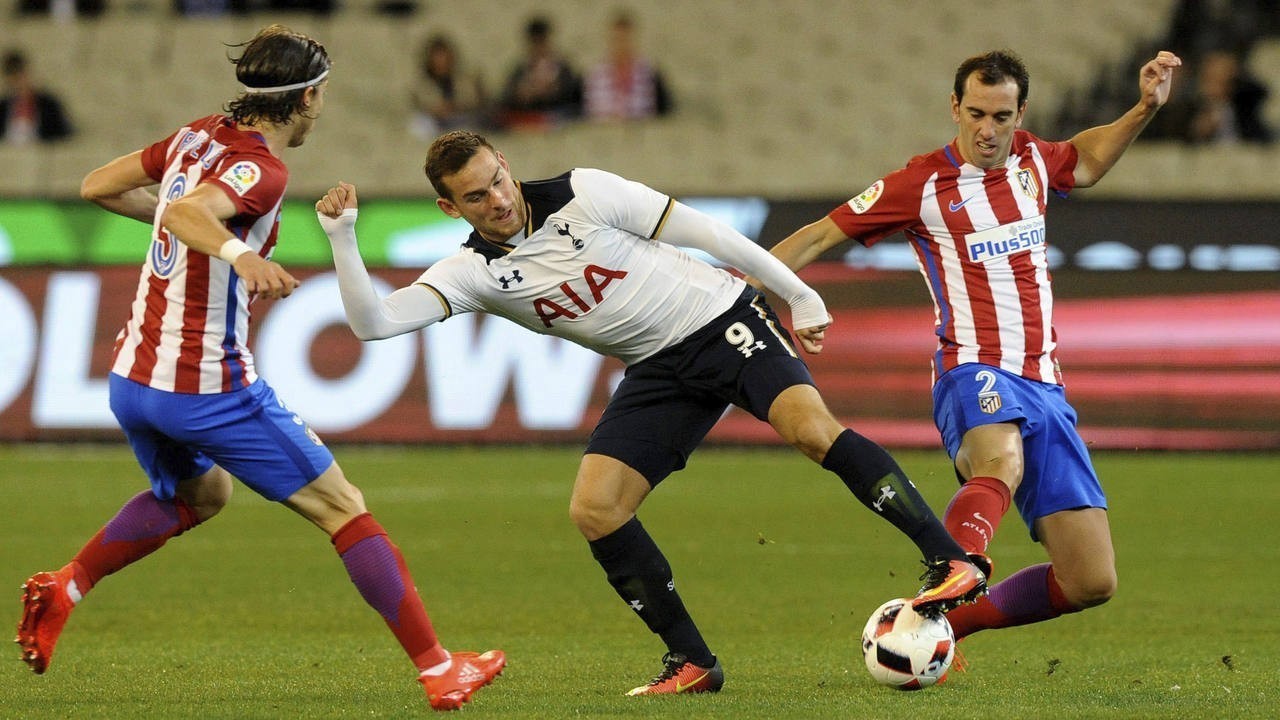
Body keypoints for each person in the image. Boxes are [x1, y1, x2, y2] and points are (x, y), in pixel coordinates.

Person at [314, 130, 988, 696]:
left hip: (720, 317)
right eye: (475, 196)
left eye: (496, 179)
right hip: (658, 369)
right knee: (596, 508)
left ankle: (948, 558)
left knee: (810, 430)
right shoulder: (471, 273)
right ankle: (693, 662)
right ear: (448, 206)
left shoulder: (585, 192)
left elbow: (710, 233)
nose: (496, 199)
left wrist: (798, 293)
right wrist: (342, 238)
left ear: (506, 165)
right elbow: (374, 323)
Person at [14, 25, 504, 712]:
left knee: (201, 497)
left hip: (133, 377)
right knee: (343, 509)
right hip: (204, 384)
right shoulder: (261, 168)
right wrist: (239, 255)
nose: (323, 104)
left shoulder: (194, 136)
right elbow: (185, 211)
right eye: (322, 92)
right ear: (305, 97)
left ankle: (63, 588)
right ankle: (439, 668)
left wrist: (191, 231)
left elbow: (100, 186)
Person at [762, 50, 1182, 660]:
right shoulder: (923, 183)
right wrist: (749, 292)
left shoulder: (1034, 161)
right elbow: (821, 234)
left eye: (1002, 116)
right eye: (976, 113)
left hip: (1045, 385)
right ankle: (954, 564)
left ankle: (943, 626)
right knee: (999, 460)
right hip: (973, 366)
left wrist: (1144, 108)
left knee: (1091, 580)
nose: (987, 130)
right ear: (954, 108)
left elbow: (1087, 160)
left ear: (1021, 115)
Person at [583, 11, 673, 121]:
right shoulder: (594, 77)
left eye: (625, 39)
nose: (621, 45)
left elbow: (664, 112)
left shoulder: (651, 76)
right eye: (616, 39)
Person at [497, 16, 582, 130]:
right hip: (527, 117)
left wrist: (553, 90)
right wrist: (523, 94)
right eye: (535, 43)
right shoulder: (520, 69)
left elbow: (574, 97)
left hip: (556, 115)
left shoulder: (563, 68)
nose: (539, 47)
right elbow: (506, 98)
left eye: (541, 42)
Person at [409, 33, 489, 139]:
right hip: (435, 121)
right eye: (437, 57)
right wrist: (437, 109)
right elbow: (423, 102)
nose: (441, 62)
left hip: (461, 119)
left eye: (444, 57)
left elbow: (472, 100)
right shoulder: (423, 83)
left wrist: (455, 107)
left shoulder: (463, 80)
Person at [0, 50, 73, 145]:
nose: (18, 81)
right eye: (13, 76)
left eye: (20, 75)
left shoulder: (48, 105)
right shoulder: (3, 108)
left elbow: (64, 133)